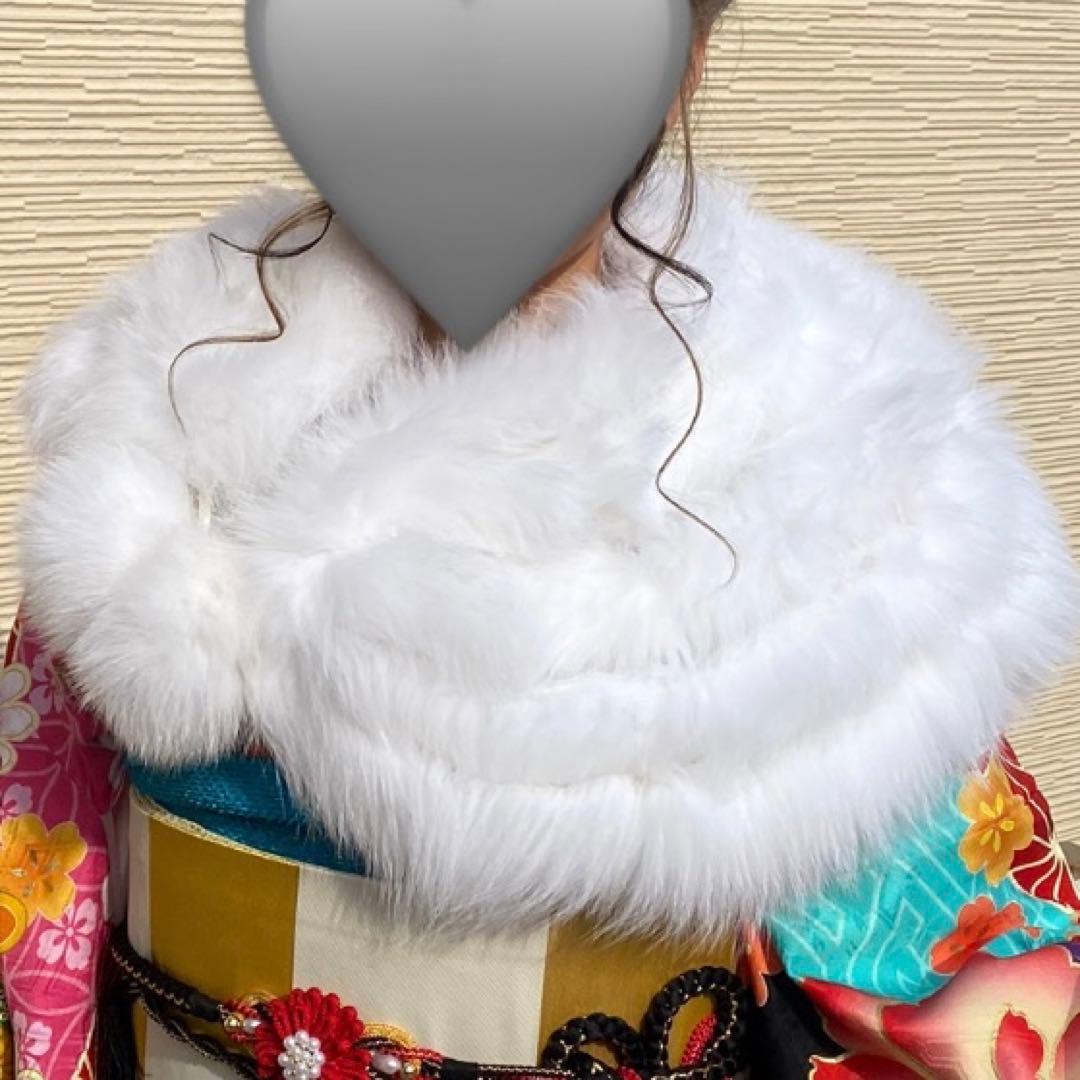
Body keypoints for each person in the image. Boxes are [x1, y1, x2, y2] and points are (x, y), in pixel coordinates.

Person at [2, 2, 1079, 1077]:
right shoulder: (170, 394)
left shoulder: (840, 472)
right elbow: (36, 898)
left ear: (684, 52)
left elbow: (980, 1009)